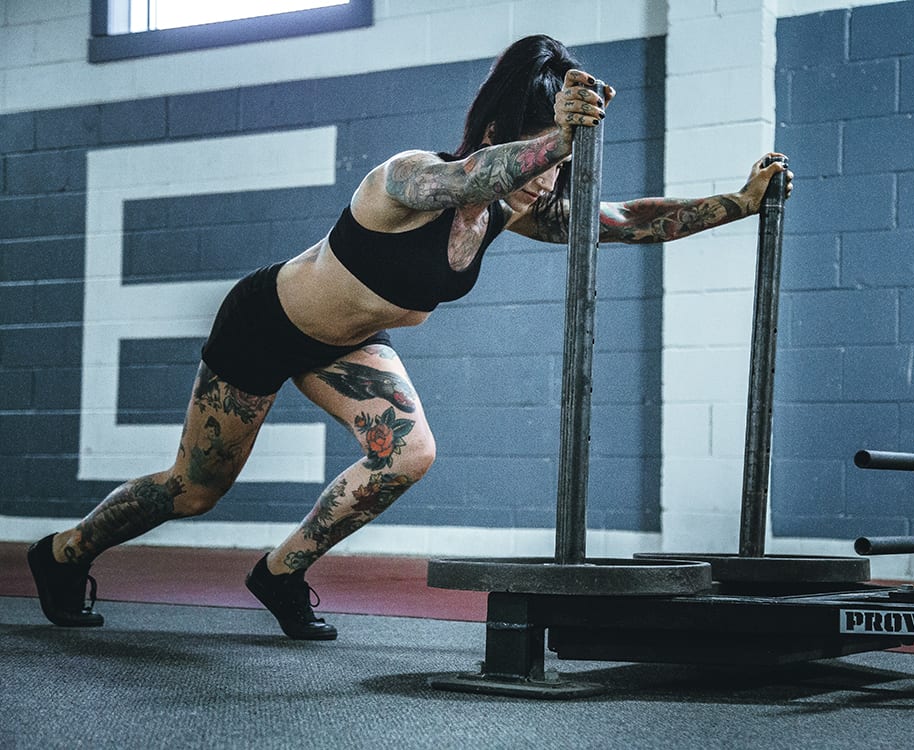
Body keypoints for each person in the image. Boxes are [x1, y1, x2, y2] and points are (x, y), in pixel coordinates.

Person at [27, 34, 792, 640]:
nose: (545, 186)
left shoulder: (516, 206)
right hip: (265, 324)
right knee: (194, 491)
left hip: (346, 345)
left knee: (408, 454)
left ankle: (280, 572)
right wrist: (559, 140)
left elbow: (622, 221)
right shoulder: (410, 178)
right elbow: (471, 178)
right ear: (494, 135)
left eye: (553, 169)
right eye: (537, 157)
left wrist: (741, 201)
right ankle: (62, 553)